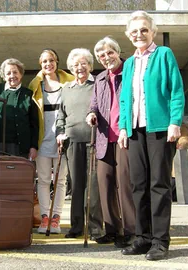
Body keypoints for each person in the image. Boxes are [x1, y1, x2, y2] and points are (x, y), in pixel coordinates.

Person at [118, 11, 185, 260]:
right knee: (138, 185)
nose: (139, 34)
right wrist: (123, 127)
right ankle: (143, 238)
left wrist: (174, 122)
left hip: (159, 129)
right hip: (135, 129)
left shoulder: (164, 55)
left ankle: (160, 241)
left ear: (152, 32)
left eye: (144, 30)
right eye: (134, 31)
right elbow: (125, 98)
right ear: (128, 35)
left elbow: (176, 90)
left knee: (159, 184)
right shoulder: (129, 64)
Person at [86, 37, 135, 248]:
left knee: (124, 184)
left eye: (109, 53)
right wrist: (91, 114)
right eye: (101, 56)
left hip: (125, 137)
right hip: (104, 138)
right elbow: (94, 104)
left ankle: (131, 231)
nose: (106, 58)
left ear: (117, 51)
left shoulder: (130, 72)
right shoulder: (100, 78)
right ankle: (112, 229)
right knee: (104, 182)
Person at [56, 48, 102, 238]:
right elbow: (61, 115)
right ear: (70, 68)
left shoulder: (98, 84)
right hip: (73, 141)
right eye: (75, 65)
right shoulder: (66, 89)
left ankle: (95, 227)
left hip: (94, 140)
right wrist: (60, 132)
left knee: (93, 185)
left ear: (90, 65)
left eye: (84, 64)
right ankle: (76, 227)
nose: (80, 68)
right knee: (76, 185)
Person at [29, 49, 75, 234]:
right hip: (43, 138)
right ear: (41, 64)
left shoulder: (69, 81)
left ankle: (56, 218)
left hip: (62, 138)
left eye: (52, 60)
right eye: (44, 61)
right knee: (43, 180)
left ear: (57, 62)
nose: (48, 64)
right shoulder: (35, 84)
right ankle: (44, 217)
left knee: (61, 180)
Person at [0, 58, 39, 159]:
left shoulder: (28, 94)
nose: (12, 76)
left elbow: (34, 124)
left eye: (15, 72)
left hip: (20, 148)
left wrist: (34, 147)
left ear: (21, 74)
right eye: (8, 73)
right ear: (4, 76)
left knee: (17, 174)